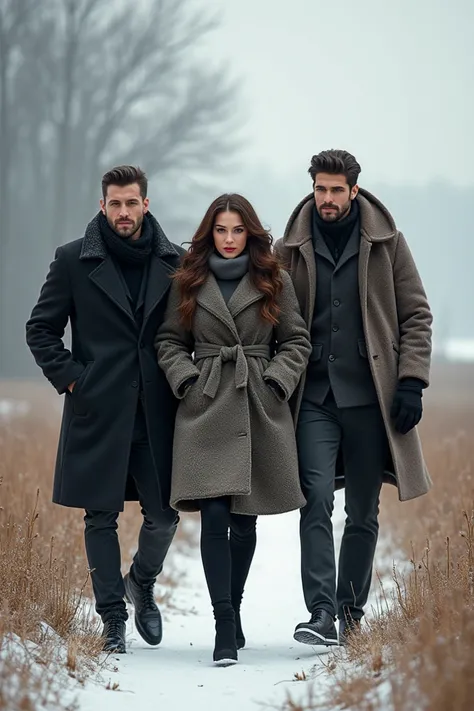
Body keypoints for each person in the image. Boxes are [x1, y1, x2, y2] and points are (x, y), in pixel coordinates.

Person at [275, 149, 433, 646]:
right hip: (313, 398)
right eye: (320, 189)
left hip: (371, 399)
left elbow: (417, 316)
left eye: (336, 190)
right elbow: (269, 314)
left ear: (354, 190)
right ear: (313, 189)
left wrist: (411, 381)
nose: (327, 199)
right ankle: (320, 612)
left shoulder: (388, 243)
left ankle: (350, 611)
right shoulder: (289, 247)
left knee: (363, 511)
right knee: (315, 499)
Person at [26, 166, 185, 654]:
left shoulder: (177, 262)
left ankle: (141, 580)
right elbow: (41, 330)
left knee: (165, 515)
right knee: (100, 518)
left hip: (157, 414)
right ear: (102, 206)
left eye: (131, 203)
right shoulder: (73, 259)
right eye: (114, 204)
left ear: (146, 204)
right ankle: (112, 618)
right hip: (98, 410)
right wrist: (76, 378)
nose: (123, 212)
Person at [154, 194, 311, 665]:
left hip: (257, 405)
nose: (228, 239)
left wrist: (277, 382)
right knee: (215, 516)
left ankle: (236, 609)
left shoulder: (273, 278)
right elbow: (167, 340)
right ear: (209, 233)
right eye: (220, 230)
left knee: (244, 523)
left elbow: (297, 340)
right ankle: (224, 623)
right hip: (204, 406)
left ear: (250, 233)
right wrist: (185, 378)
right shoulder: (187, 279)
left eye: (236, 230)